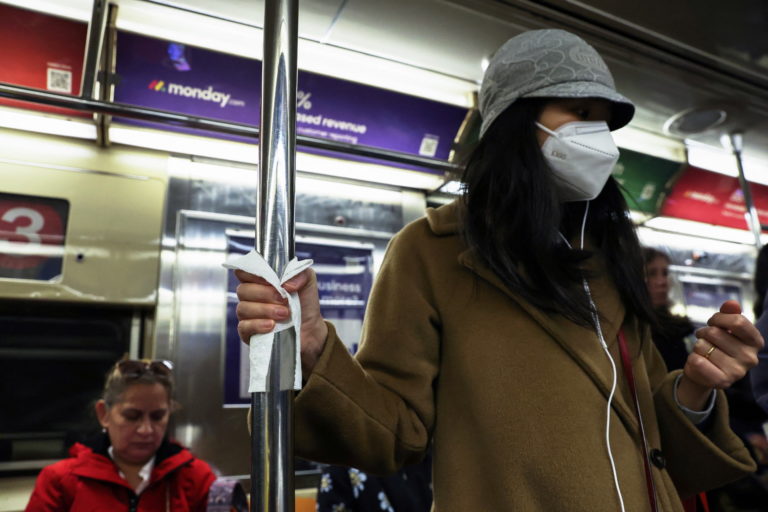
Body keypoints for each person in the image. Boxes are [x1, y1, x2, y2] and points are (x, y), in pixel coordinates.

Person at [234, 29, 762, 511]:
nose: (597, 136)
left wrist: (695, 387)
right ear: (515, 123)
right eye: (578, 111)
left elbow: (650, 442)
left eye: (603, 119)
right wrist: (312, 349)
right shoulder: (431, 253)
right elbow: (396, 432)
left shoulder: (605, 256)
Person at [26, 359, 216, 511]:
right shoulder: (60, 481)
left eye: (158, 417)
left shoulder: (196, 478)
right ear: (104, 414)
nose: (146, 430)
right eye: (132, 416)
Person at [644, 247, 694, 371]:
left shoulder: (676, 326)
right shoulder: (638, 331)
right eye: (651, 274)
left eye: (665, 273)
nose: (662, 282)